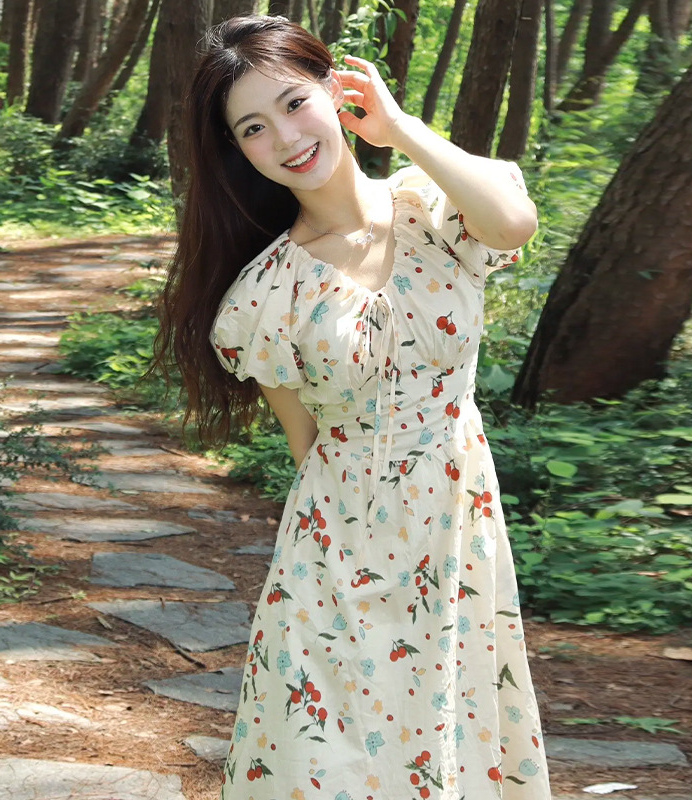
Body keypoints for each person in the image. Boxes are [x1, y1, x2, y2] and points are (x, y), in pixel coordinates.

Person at [154, 14, 552, 800]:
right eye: (253, 129)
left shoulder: (432, 206)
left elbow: (514, 223)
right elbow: (307, 445)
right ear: (238, 151)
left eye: (294, 103)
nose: (286, 138)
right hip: (333, 552)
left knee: (445, 744)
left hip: (455, 533)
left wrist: (398, 128)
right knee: (323, 765)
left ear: (335, 90)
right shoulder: (266, 294)